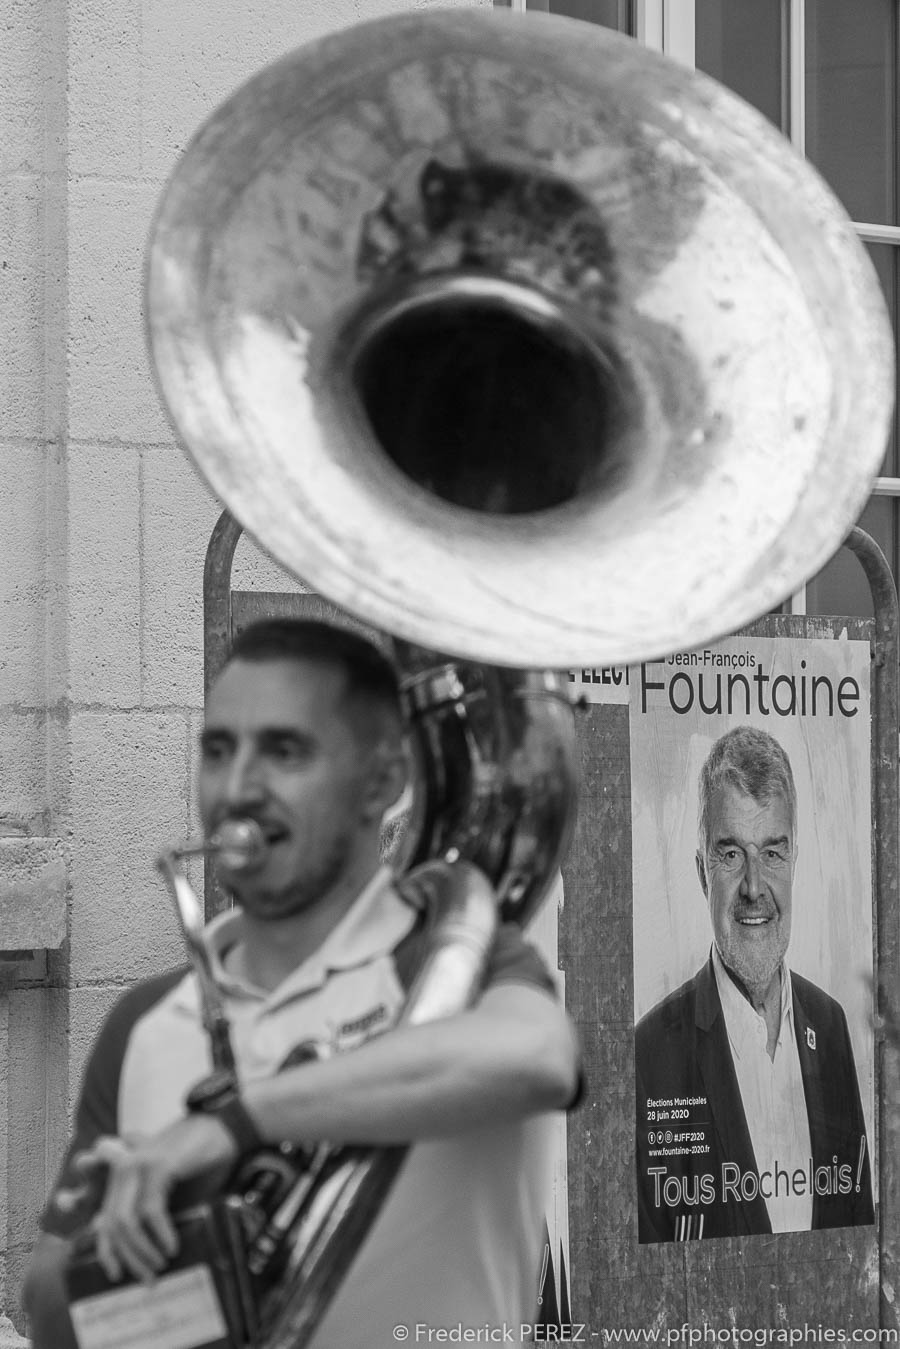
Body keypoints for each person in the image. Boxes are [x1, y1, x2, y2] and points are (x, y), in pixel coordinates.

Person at [23, 618, 581, 1346]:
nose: (236, 789)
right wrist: (123, 1245)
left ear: (383, 781)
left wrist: (231, 1126)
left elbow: (539, 1059)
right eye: (218, 750)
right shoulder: (145, 1017)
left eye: (283, 751)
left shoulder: (457, 961)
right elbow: (49, 1311)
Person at [635, 725, 873, 1243]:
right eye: (731, 854)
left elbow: (857, 1234)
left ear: (794, 863)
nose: (753, 887)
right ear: (703, 873)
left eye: (771, 853)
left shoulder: (830, 1025)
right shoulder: (649, 1056)